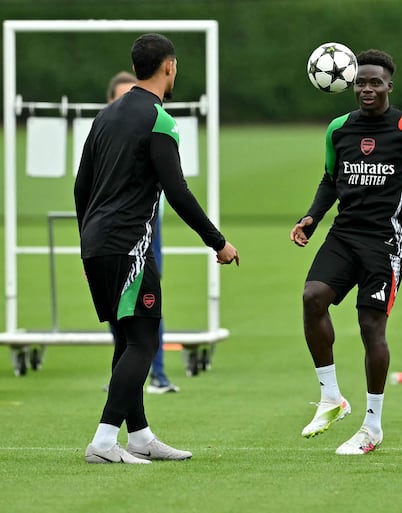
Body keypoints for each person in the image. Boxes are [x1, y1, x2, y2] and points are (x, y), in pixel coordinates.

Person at [75, 33, 239, 464]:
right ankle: (105, 442)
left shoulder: (105, 117)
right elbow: (178, 192)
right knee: (144, 342)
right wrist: (217, 242)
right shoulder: (160, 120)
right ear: (169, 67)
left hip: (97, 245)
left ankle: (141, 436)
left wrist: (87, 240)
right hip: (128, 247)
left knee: (126, 341)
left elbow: (81, 186)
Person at [290, 49, 402, 455]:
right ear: (351, 84)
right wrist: (311, 217)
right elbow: (329, 179)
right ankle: (331, 398)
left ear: (389, 86)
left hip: (387, 242)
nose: (367, 89)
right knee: (312, 297)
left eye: (375, 82)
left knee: (370, 328)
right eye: (361, 82)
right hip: (344, 236)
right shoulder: (338, 129)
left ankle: (372, 426)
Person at [105, 71, 180, 395]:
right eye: (120, 98)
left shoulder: (154, 125)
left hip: (146, 226)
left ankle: (157, 375)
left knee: (148, 300)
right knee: (118, 308)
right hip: (110, 229)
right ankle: (125, 379)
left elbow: (172, 186)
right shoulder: (104, 130)